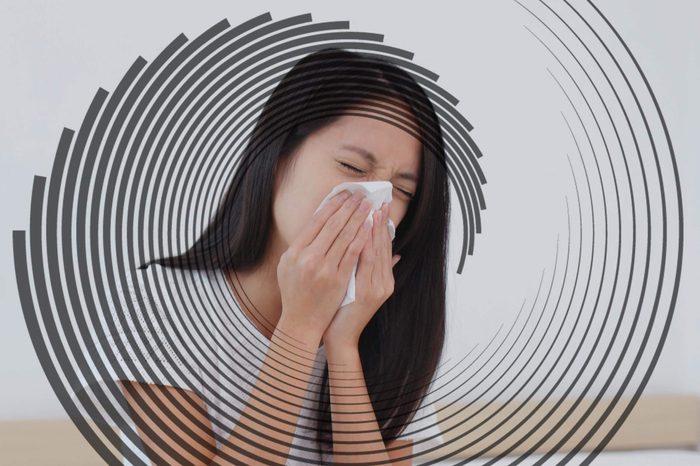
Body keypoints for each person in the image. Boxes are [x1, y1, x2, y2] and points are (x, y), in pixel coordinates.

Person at [96, 47, 449, 465]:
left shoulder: (388, 322)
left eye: (402, 191)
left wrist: (343, 344)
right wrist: (300, 328)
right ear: (278, 156)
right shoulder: (160, 303)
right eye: (353, 167)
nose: (377, 202)